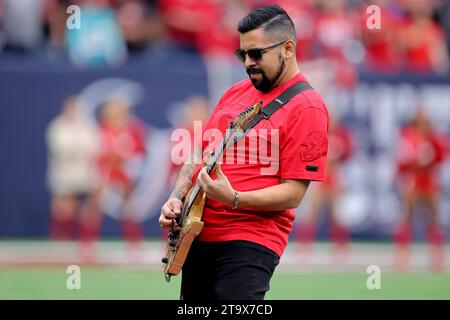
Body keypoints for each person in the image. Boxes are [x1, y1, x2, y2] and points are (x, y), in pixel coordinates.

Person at [159, 5, 329, 300]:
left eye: (256, 53)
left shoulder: (308, 106)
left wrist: (234, 198)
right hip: (199, 232)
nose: (248, 62)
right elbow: (200, 154)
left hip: (249, 241)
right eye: (242, 54)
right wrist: (176, 198)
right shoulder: (234, 93)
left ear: (288, 48)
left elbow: (294, 193)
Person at [394, 109, 447, 272]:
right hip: (414, 180)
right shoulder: (408, 136)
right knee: (407, 217)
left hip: (429, 180)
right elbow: (402, 159)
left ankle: (437, 256)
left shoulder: (433, 137)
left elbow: (442, 154)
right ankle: (402, 256)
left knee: (433, 218)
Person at [296, 114, 353, 262]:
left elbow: (348, 154)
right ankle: (304, 247)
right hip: (320, 178)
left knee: (338, 216)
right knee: (311, 215)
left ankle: (341, 249)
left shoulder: (341, 135)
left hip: (335, 178)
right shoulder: (320, 134)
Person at [46, 96, 99, 240]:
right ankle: (61, 240)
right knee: (63, 210)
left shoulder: (88, 127)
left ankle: (84, 242)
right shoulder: (57, 127)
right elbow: (60, 150)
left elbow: (94, 150)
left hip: (84, 176)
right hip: (64, 175)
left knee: (86, 211)